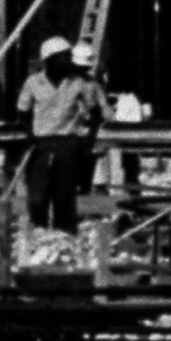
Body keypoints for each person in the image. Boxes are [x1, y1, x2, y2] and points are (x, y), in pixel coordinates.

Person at [15, 34, 106, 230]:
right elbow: (23, 112)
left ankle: (64, 238)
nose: (68, 61)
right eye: (63, 57)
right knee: (38, 197)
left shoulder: (76, 82)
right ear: (50, 60)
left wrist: (89, 140)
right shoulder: (33, 82)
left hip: (67, 144)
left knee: (64, 198)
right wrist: (30, 136)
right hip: (42, 144)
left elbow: (95, 112)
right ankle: (38, 234)